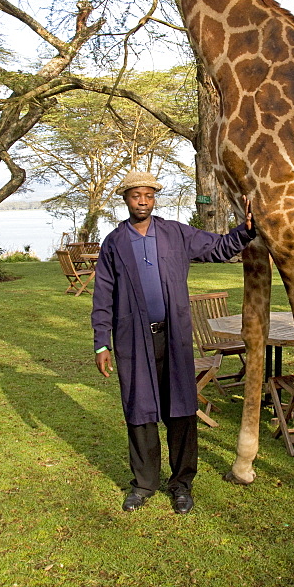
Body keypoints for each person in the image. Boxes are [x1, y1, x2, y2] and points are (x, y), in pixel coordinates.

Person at [92, 170, 255, 515]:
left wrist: (246, 230)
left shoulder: (175, 233)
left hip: (174, 336)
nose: (143, 201)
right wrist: (100, 343)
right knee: (139, 409)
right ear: (126, 199)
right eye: (136, 195)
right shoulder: (115, 243)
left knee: (181, 409)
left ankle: (181, 484)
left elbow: (218, 248)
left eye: (149, 196)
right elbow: (103, 295)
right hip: (133, 340)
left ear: (154, 199)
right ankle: (143, 484)